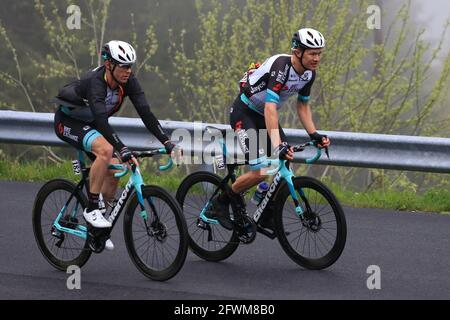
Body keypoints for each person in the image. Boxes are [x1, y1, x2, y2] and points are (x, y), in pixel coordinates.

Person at [52, 40, 181, 250]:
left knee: (116, 170)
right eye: (123, 66)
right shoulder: (96, 82)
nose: (128, 71)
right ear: (109, 64)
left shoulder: (129, 82)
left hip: (92, 124)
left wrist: (167, 142)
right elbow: (102, 121)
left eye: (130, 66)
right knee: (106, 150)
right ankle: (91, 208)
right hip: (69, 123)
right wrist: (122, 148)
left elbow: (146, 114)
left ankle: (98, 227)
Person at [207, 28, 330, 230]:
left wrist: (314, 134)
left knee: (284, 159)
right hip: (244, 112)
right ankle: (219, 203)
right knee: (261, 171)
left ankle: (265, 209)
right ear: (298, 51)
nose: (317, 58)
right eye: (312, 53)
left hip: (264, 115)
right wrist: (278, 144)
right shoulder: (282, 66)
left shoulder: (309, 74)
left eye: (319, 53)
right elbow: (270, 107)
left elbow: (303, 105)